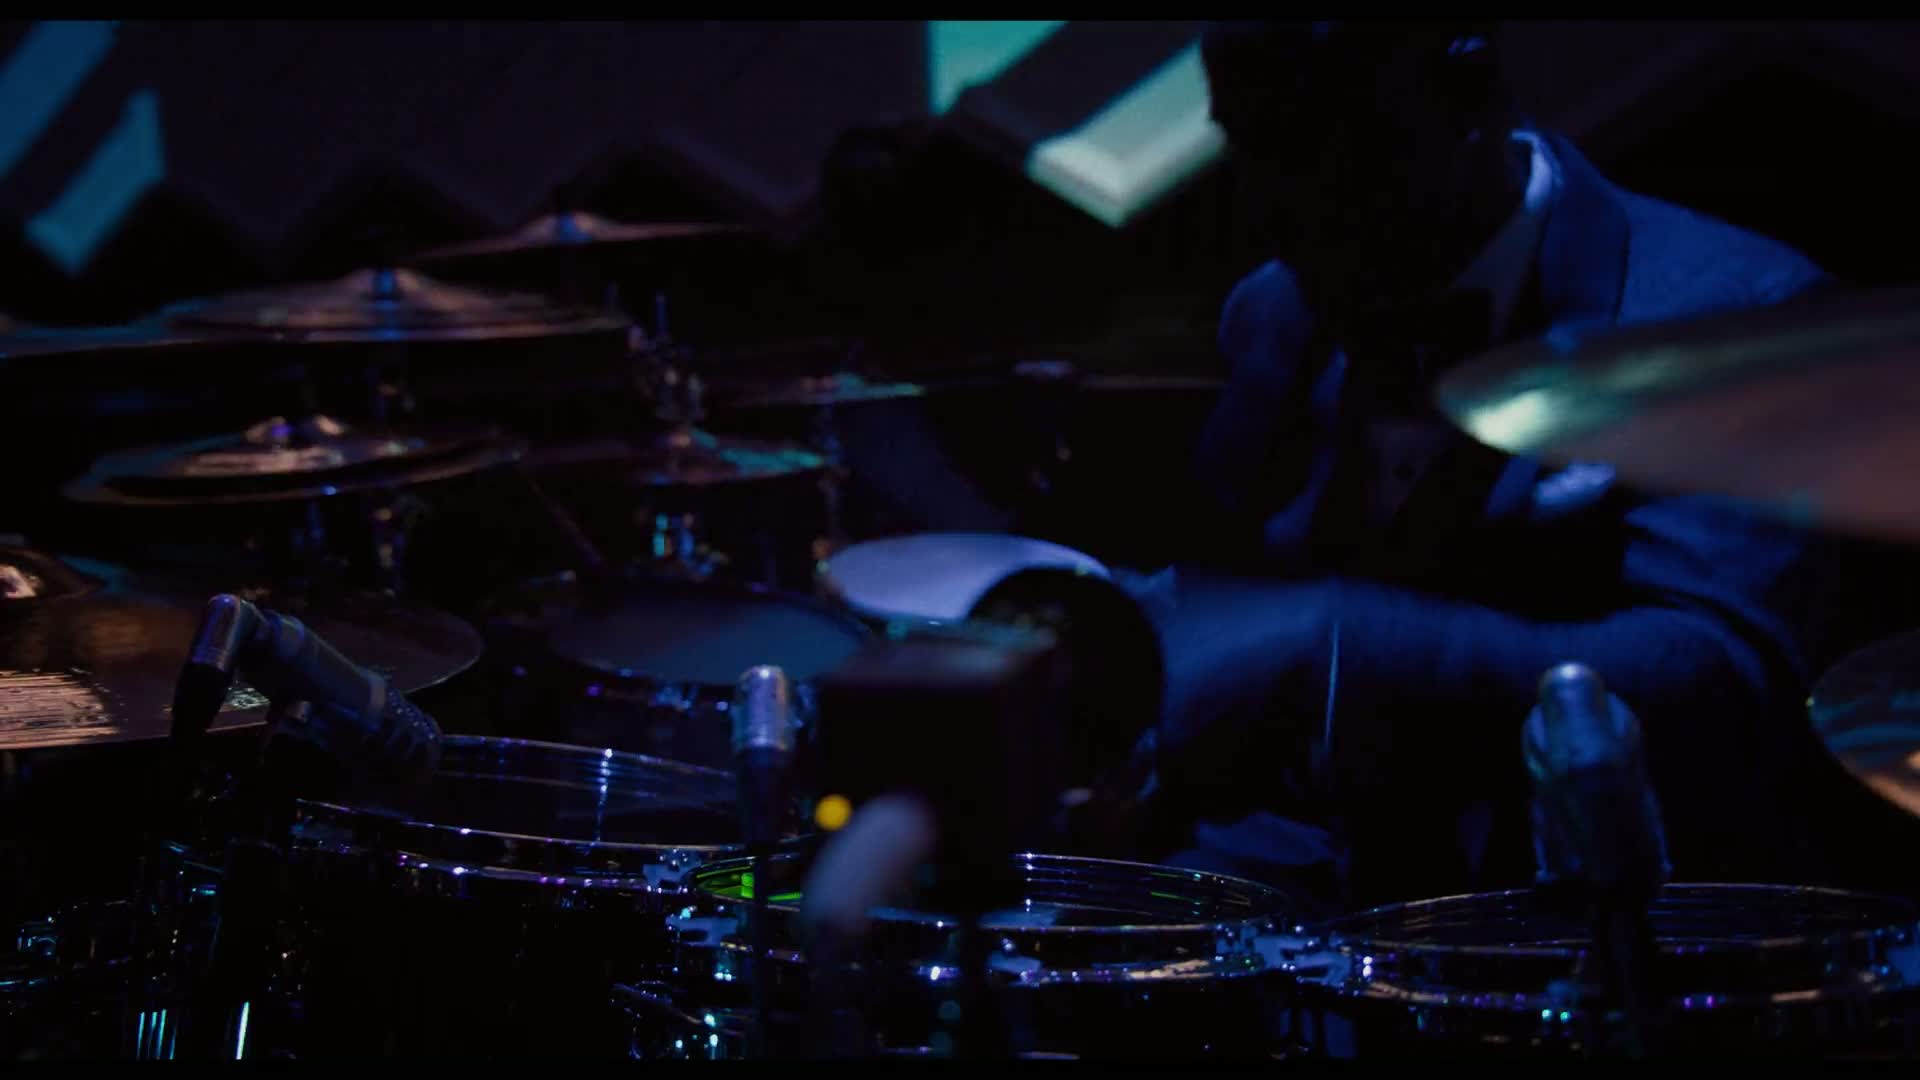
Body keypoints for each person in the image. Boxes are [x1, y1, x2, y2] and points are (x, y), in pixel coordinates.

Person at [1134, 20, 1842, 906]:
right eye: (1247, 144)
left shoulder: (1737, 316)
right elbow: (1228, 605)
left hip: (1601, 927)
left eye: (1322, 144)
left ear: (1474, 99)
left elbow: (1717, 682)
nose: (1269, 206)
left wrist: (1335, 643)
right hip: (1325, 918)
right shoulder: (1273, 308)